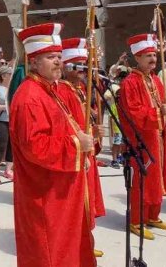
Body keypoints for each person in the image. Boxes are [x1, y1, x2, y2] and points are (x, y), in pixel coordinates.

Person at [9, 23, 96, 267]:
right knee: (50, 253)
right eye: (50, 57)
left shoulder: (51, 90)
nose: (58, 61)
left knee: (68, 249)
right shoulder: (30, 97)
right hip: (45, 194)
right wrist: (77, 144)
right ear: (34, 62)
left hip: (61, 188)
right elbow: (36, 147)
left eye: (59, 56)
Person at [120, 33, 166, 240]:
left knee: (157, 177)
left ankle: (153, 216)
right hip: (141, 140)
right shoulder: (130, 82)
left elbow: (163, 107)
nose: (153, 59)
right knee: (142, 180)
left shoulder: (156, 81)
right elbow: (133, 112)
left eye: (154, 54)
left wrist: (165, 112)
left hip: (157, 137)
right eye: (147, 55)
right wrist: (157, 114)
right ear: (137, 58)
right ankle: (136, 220)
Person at [60, 38, 106, 223]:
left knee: (88, 194)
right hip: (78, 151)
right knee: (78, 198)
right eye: (77, 65)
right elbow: (68, 125)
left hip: (88, 148)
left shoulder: (80, 88)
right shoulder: (64, 90)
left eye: (84, 65)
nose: (82, 69)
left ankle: (87, 238)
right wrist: (89, 135)